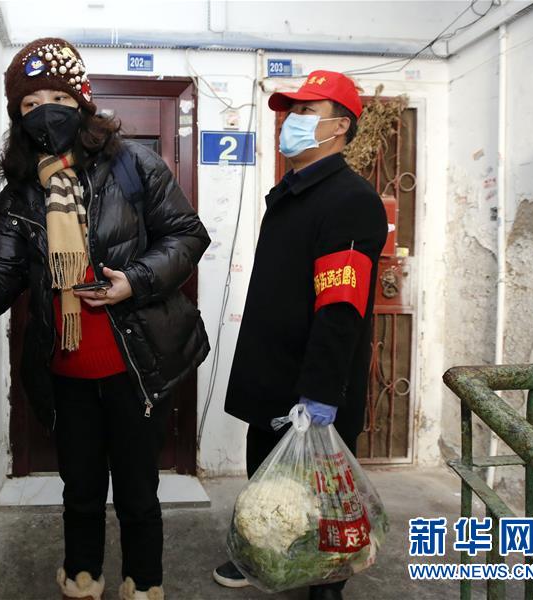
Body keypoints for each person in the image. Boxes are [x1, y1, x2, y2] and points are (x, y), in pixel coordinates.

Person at [0, 38, 210, 600]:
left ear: (82, 102)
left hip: (138, 365)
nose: (46, 112)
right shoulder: (19, 196)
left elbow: (187, 235)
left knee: (138, 491)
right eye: (30, 104)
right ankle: (83, 578)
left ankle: (144, 583)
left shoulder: (134, 165)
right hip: (67, 372)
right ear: (18, 116)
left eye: (58, 98)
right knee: (80, 490)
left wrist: (135, 279)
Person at [212, 71, 388, 600]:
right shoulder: (292, 192)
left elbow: (340, 307)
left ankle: (326, 585)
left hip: (310, 384)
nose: (292, 120)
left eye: (307, 112)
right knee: (270, 481)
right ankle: (261, 555)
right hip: (271, 373)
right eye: (292, 111)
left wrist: (320, 392)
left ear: (339, 127)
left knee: (322, 495)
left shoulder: (350, 200)